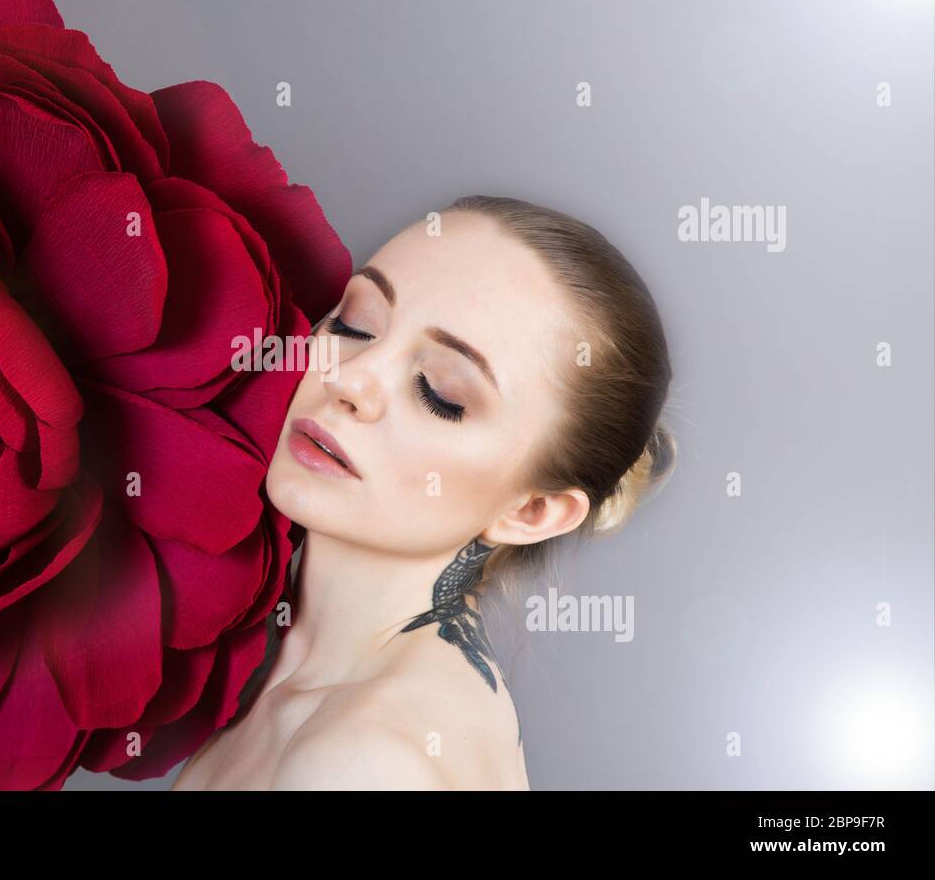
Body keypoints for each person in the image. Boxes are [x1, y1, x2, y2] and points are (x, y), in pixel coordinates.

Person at [172, 195, 676, 790]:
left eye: (440, 394)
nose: (349, 379)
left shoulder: (367, 762)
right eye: (356, 324)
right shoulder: (280, 670)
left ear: (532, 511)